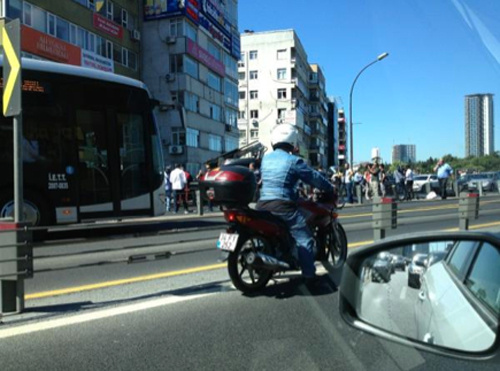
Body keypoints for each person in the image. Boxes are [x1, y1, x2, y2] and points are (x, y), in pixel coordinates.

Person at [256, 123, 333, 285]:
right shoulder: (293, 161)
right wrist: (330, 187)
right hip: (283, 205)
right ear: (292, 142)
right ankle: (309, 276)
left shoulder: (266, 159)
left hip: (262, 205)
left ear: (273, 141)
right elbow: (313, 177)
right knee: (305, 239)